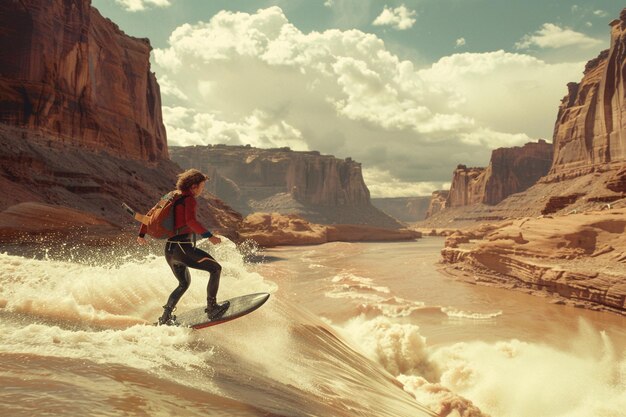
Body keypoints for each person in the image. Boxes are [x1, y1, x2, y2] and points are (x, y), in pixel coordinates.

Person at [137, 169, 229, 325]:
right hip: (183, 249)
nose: (202, 190)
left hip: (170, 250)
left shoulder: (172, 195)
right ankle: (212, 307)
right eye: (201, 186)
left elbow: (149, 215)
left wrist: (141, 234)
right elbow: (191, 222)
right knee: (215, 269)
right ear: (193, 186)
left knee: (183, 283)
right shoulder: (189, 199)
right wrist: (210, 236)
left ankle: (165, 317)